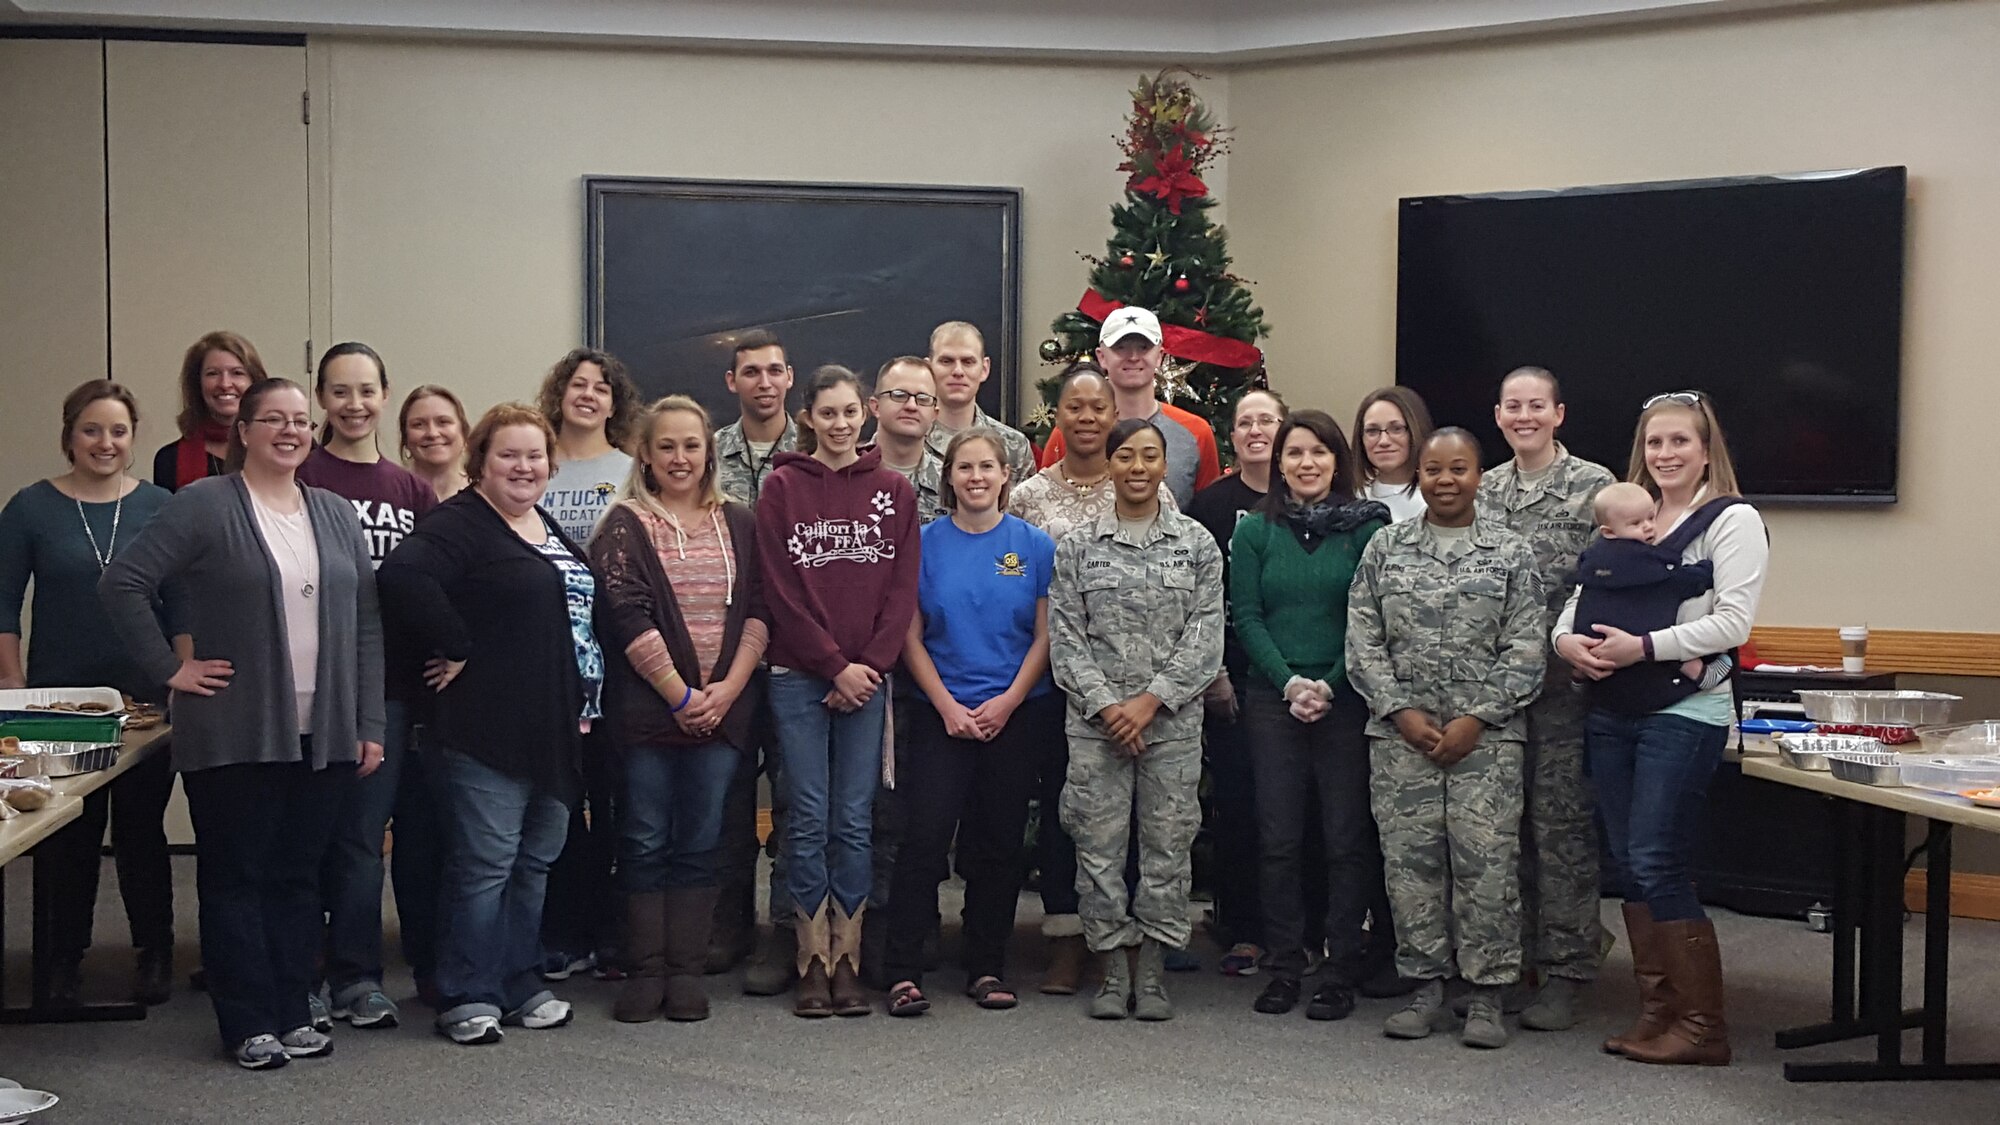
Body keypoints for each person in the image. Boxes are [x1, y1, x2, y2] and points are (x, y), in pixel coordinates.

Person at [101, 378, 383, 1070]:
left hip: (326, 731)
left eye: (299, 420)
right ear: (245, 431)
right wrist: (171, 669)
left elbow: (366, 624)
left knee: (298, 876)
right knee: (237, 875)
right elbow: (123, 582)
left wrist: (367, 719)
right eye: (273, 420)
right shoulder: (205, 505)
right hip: (235, 728)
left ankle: (294, 1008)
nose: (290, 431)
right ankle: (247, 1020)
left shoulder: (336, 512)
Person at [1554, 390, 1768, 1068]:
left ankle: (1703, 1026)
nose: (1666, 454)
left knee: (1657, 857)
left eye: (1679, 441)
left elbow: (1733, 622)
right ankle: (1659, 1010)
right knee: (1628, 862)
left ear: (1707, 449)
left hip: (1684, 712)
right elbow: (1580, 597)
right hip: (1612, 710)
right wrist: (1567, 645)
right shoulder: (1627, 517)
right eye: (1654, 443)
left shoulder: (1730, 521)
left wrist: (1639, 648)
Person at [378, 403, 602, 1046]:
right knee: (485, 865)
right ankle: (467, 992)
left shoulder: (542, 525)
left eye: (535, 456)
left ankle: (519, 980)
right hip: (485, 732)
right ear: (481, 462)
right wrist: (460, 643)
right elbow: (404, 575)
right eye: (509, 454)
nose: (524, 467)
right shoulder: (463, 523)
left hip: (556, 729)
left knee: (534, 863)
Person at [1345, 427, 1545, 1050]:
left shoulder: (1510, 553)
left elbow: (1527, 646)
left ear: (1479, 476)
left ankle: (1485, 995)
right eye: (1433, 470)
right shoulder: (1385, 547)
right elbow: (1363, 639)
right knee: (1412, 868)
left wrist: (1478, 717)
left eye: (1458, 469)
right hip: (1401, 739)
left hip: (1486, 742)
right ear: (1419, 477)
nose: (1445, 480)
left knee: (1487, 869)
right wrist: (1399, 710)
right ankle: (1425, 986)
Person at [0, 381, 183, 1008]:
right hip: (59, 703)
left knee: (141, 830)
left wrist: (182, 675)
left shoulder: (161, 505)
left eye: (119, 431)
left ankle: (154, 952)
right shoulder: (31, 507)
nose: (106, 443)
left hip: (147, 699)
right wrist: (13, 685)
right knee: (66, 836)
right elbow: (3, 604)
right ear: (69, 435)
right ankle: (58, 963)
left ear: (133, 438)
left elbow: (181, 600)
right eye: (92, 431)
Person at [589, 396, 769, 1023]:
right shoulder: (625, 524)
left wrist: (726, 690)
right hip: (648, 717)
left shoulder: (740, 522)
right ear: (645, 454)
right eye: (666, 446)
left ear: (708, 451)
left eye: (691, 445)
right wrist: (680, 695)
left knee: (700, 841)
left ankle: (687, 972)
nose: (680, 457)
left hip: (723, 714)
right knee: (642, 840)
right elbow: (626, 615)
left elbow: (758, 611)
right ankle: (646, 973)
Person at [755, 365, 919, 1018]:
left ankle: (846, 959)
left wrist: (869, 667)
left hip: (868, 682)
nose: (842, 423)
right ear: (809, 417)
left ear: (868, 412)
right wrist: (832, 666)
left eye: (851, 411)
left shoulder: (893, 491)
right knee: (805, 817)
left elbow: (902, 590)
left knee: (853, 821)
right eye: (828, 413)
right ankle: (809, 959)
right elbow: (780, 591)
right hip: (800, 679)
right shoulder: (782, 489)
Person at [1048, 417, 1224, 1022]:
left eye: (1151, 456)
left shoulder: (1196, 544)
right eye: (1127, 456)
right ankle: (1111, 969)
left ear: (1166, 465)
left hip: (1170, 725)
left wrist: (1150, 703)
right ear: (1111, 463)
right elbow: (1066, 639)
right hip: (1096, 727)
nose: (1139, 468)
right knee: (1097, 849)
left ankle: (1151, 971)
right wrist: (1106, 706)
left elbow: (1205, 637)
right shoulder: (1077, 547)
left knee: (1167, 849)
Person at [1230, 409, 1401, 1022]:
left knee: (1345, 838)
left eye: (1319, 453)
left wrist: (1327, 686)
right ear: (1278, 462)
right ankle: (1284, 964)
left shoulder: (1369, 530)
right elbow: (1245, 615)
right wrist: (1288, 681)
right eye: (1295, 452)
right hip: (1272, 701)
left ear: (1338, 460)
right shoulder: (1254, 531)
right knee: (1278, 839)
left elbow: (1370, 619)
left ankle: (1340, 967)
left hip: (1346, 699)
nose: (1307, 463)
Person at [882, 428, 1061, 1017]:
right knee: (925, 840)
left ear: (1006, 474)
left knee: (999, 844)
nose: (977, 477)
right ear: (949, 476)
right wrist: (947, 706)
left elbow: (1045, 636)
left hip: (1014, 715)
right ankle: (903, 969)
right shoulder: (924, 542)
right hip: (941, 713)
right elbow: (908, 635)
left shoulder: (1034, 546)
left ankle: (986, 964)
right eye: (965, 467)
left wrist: (1008, 702)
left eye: (988, 466)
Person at [297, 342, 438, 1032]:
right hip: (326, 685)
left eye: (366, 391)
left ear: (386, 396)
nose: (354, 404)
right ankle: (329, 974)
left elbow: (439, 583)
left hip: (403, 686)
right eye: (340, 391)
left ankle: (367, 969)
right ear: (321, 397)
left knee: (383, 835)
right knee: (330, 836)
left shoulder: (410, 488)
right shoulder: (302, 476)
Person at [1474, 365, 1615, 1032]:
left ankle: (1568, 968)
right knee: (1503, 829)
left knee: (1559, 832)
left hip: (1564, 693)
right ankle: (1518, 958)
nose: (1524, 415)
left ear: (1559, 412)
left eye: (1536, 405)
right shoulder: (1484, 489)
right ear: (1498, 416)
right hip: (1498, 692)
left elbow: (1606, 584)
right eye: (1513, 406)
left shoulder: (1596, 487)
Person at [1005, 361, 1152, 993]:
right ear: (1058, 417)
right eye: (1075, 407)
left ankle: (1121, 939)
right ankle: (1068, 937)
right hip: (1050, 684)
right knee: (1068, 810)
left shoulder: (1148, 486)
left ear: (1114, 415)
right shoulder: (1028, 497)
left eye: (1099, 407)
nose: (1088, 418)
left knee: (1126, 816)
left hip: (1128, 687)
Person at [535, 348, 640, 981]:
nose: (589, 396)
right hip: (548, 661)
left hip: (619, 657)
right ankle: (562, 933)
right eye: (577, 385)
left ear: (615, 401)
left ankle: (612, 934)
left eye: (602, 387)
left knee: (617, 803)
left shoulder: (633, 470)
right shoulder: (534, 465)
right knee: (560, 805)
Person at [1184, 387, 1286, 979]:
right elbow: (1202, 600)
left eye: (1267, 421)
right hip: (1227, 680)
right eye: (1244, 422)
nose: (1255, 431)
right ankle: (1241, 927)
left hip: (1295, 679)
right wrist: (1213, 673)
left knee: (1297, 811)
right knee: (1238, 806)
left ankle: (1299, 927)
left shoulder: (1303, 498)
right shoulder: (1210, 505)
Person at [710, 329, 798, 993]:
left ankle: (788, 933)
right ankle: (728, 926)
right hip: (727, 653)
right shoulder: (705, 454)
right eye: (750, 372)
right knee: (729, 796)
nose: (763, 382)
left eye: (773, 370)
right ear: (732, 381)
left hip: (799, 652)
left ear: (790, 378)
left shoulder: (822, 451)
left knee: (797, 800)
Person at [1037, 308, 1221, 509]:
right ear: (1102, 357)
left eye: (1143, 347)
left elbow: (1208, 514)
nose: (1133, 357)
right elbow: (1045, 503)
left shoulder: (1196, 433)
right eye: (1121, 347)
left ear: (1159, 356)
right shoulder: (1070, 433)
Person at [151, 330, 268, 492]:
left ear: (254, 381)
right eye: (213, 374)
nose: (225, 384)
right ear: (197, 384)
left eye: (237, 373)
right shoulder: (169, 459)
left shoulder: (279, 448)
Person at [924, 321, 1036, 483]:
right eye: (946, 361)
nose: (958, 371)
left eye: (968, 362)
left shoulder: (1014, 447)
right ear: (928, 368)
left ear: (984, 369)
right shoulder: (906, 439)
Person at [868, 356, 948, 525]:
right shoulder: (845, 474)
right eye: (899, 395)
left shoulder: (952, 484)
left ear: (935, 414)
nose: (911, 406)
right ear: (875, 406)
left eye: (923, 399)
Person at [1351, 386, 1433, 523]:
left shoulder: (1437, 500)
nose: (1383, 441)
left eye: (1396, 429)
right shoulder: (1352, 499)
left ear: (1416, 429)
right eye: (1372, 431)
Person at [400, 384, 471, 501]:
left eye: (443, 422)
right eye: (418, 424)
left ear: (463, 431)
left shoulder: (486, 498)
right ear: (405, 436)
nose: (432, 433)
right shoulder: (389, 495)